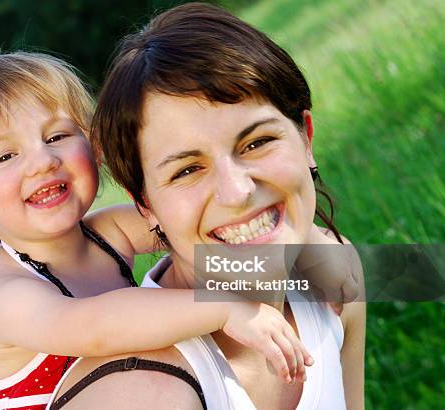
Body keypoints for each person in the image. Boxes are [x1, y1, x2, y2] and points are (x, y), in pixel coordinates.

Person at [0, 51, 338, 410]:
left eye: (57, 136)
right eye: (5, 156)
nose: (43, 161)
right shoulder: (6, 295)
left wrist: (315, 247)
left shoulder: (108, 231)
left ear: (95, 147)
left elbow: (204, 226)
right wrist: (225, 307)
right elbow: (94, 329)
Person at [50, 3, 365, 409]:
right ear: (145, 205)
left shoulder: (335, 282)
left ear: (305, 138)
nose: (237, 192)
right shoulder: (138, 395)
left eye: (256, 143)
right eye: (187, 171)